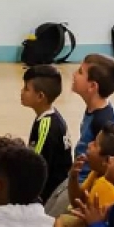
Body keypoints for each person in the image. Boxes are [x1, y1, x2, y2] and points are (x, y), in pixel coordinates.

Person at [43, 54, 114, 218]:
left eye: (80, 72)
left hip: (86, 183)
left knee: (50, 221)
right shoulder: (95, 110)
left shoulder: (104, 122)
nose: (74, 75)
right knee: (46, 212)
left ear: (92, 86)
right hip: (77, 176)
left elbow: (110, 165)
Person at [22, 65, 72, 203]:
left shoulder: (46, 126)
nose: (21, 92)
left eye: (26, 89)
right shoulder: (49, 116)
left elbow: (36, 165)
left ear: (40, 96)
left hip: (50, 195)